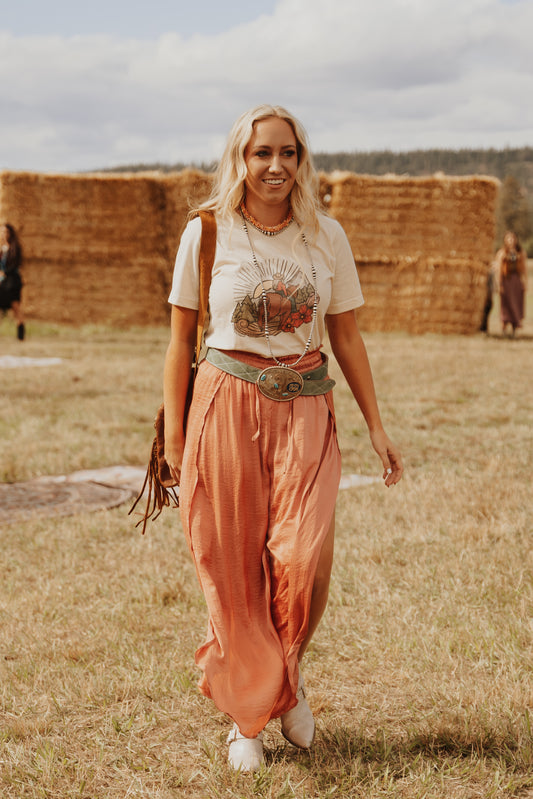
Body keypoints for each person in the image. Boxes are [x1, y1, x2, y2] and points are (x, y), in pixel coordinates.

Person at [163, 105, 403, 772]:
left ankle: (284, 677)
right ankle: (249, 716)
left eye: (288, 152)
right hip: (225, 399)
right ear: (239, 158)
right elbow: (181, 337)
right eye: (260, 152)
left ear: (302, 159)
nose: (274, 165)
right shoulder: (206, 233)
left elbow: (347, 334)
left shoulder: (325, 235)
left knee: (302, 560)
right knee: (231, 565)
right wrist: (175, 440)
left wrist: (376, 427)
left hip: (306, 403)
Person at [495, 230, 527, 336]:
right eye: (508, 238)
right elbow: (499, 269)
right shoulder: (502, 253)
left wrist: (525, 282)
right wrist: (499, 284)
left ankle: (514, 327)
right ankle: (504, 327)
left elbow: (524, 269)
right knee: (506, 304)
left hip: (516, 281)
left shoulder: (520, 253)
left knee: (516, 303)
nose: (511, 240)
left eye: (512, 238)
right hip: (506, 281)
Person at [0, 223, 25, 340]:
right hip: (4, 282)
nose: (3, 234)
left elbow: (15, 264)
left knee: (15, 307)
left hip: (12, 282)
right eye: (2, 232)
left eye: (5, 232)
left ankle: (21, 334)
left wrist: (4, 273)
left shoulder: (15, 248)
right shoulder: (2, 249)